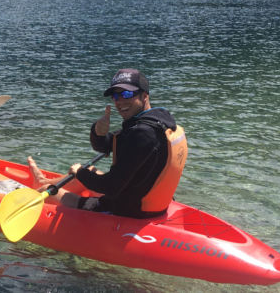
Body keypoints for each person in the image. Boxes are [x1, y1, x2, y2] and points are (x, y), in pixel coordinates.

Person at [27, 68, 188, 218]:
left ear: (144, 95)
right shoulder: (159, 122)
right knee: (88, 170)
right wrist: (98, 132)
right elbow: (108, 146)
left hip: (127, 211)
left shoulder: (142, 133)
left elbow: (111, 187)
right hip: (150, 202)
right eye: (115, 96)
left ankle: (36, 191)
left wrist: (79, 173)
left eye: (125, 94)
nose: (119, 101)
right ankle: (43, 181)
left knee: (51, 192)